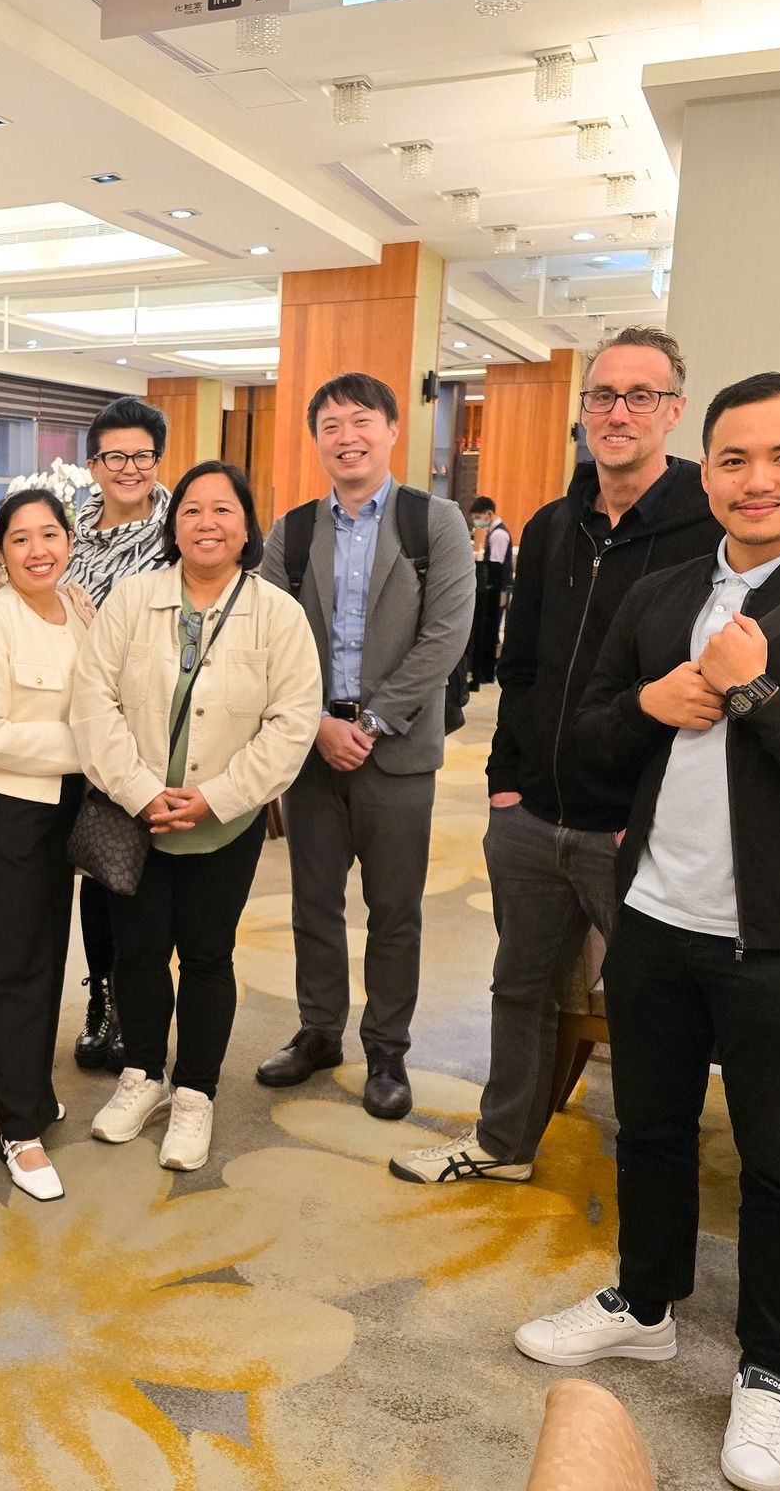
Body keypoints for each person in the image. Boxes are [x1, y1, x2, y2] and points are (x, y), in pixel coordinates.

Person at [518, 373, 780, 1491]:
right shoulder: (659, 596)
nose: (755, 481)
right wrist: (648, 706)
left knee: (778, 1162)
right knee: (648, 1129)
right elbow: (584, 748)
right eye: (732, 460)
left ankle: (766, 1370)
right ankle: (645, 1303)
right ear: (702, 471)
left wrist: (760, 699)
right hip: (654, 915)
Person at [392, 326, 718, 1188]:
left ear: (673, 412)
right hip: (533, 818)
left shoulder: (706, 534)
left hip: (635, 831)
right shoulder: (549, 527)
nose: (618, 412)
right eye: (603, 395)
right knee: (520, 990)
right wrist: (504, 787)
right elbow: (521, 669)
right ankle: (502, 1146)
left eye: (640, 396)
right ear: (583, 413)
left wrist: (641, 818)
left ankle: (655, 1184)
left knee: (655, 1011)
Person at [72, 462, 321, 1172]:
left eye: (223, 510)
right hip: (137, 815)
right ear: (172, 525)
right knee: (138, 952)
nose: (206, 523)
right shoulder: (131, 599)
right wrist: (140, 790)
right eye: (191, 511)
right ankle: (143, 1074)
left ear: (247, 525)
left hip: (226, 822)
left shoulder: (278, 614)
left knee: (209, 956)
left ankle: (195, 1092)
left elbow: (292, 723)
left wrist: (215, 796)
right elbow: (93, 702)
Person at [253, 373, 474, 1119]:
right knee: (313, 903)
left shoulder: (431, 522)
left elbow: (445, 637)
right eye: (330, 426)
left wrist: (372, 722)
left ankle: (387, 1049)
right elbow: (267, 637)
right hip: (311, 747)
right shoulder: (292, 530)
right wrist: (315, 721)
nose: (346, 437)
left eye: (361, 421)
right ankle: (319, 1032)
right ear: (316, 440)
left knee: (394, 910)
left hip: (398, 751)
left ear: (390, 431)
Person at [0, 487, 87, 1201]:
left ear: (69, 539)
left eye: (50, 534)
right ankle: (20, 1126)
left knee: (42, 950)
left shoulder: (77, 612)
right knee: (10, 964)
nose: (39, 549)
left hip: (57, 808)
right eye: (22, 538)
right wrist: (84, 746)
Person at [63, 396, 174, 1075]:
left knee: (148, 885)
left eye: (141, 455)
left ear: (157, 459)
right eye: (114, 457)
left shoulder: (175, 533)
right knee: (98, 871)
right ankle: (100, 999)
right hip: (79, 731)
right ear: (93, 463)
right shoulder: (70, 531)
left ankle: (139, 1017)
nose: (128, 468)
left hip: (152, 735)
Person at [466, 495, 513, 690]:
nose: (477, 521)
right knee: (487, 632)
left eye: (478, 516)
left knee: (490, 631)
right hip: (492, 589)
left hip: (496, 590)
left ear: (488, 513)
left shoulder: (499, 534)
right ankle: (485, 672)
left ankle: (486, 672)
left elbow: (496, 566)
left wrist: (501, 590)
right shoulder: (493, 532)